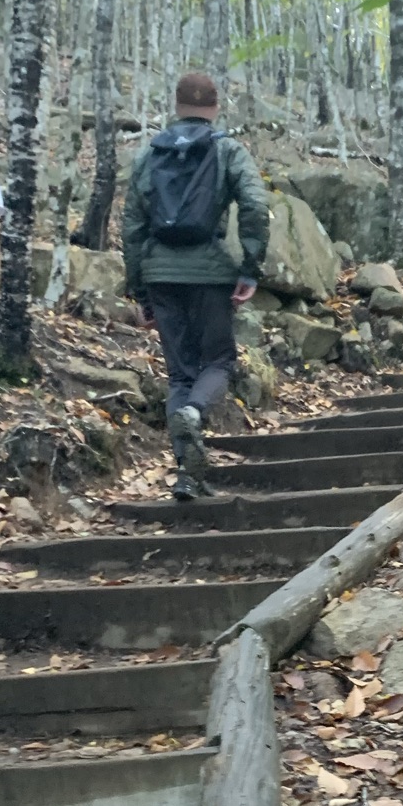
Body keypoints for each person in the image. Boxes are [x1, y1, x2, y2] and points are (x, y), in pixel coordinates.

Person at [123, 71, 269, 499]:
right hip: (210, 273)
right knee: (219, 361)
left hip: (161, 274)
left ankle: (187, 474)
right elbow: (256, 205)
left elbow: (132, 226)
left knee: (179, 374)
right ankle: (194, 413)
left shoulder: (149, 156)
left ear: (176, 104)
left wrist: (140, 288)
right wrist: (250, 267)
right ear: (216, 106)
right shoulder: (227, 150)